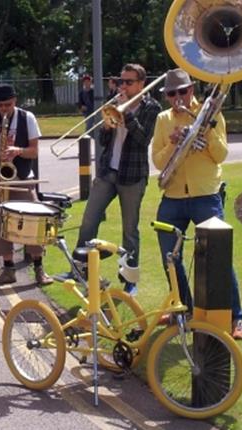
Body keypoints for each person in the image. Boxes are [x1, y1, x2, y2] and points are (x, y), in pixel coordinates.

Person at [151, 68, 242, 340]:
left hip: (206, 195)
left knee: (219, 258)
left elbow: (221, 155)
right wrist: (173, 144)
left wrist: (202, 140)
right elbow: (158, 162)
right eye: (171, 93)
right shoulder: (163, 119)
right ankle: (183, 309)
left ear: (191, 90)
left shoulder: (210, 114)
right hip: (173, 197)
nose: (177, 98)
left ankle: (236, 318)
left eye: (182, 91)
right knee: (170, 257)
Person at [75, 64, 161, 296]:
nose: (123, 86)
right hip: (107, 172)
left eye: (129, 82)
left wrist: (127, 116)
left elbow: (143, 139)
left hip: (132, 176)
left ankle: (129, 278)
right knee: (88, 222)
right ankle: (79, 270)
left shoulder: (153, 107)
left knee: (129, 231)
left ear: (141, 83)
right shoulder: (115, 101)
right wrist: (106, 125)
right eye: (121, 81)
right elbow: (103, 138)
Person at [0, 84, 54, 287]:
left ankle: (39, 267)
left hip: (23, 179)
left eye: (7, 105)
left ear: (15, 101)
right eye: (0, 105)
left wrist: (18, 150)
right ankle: (8, 269)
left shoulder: (27, 118)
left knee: (32, 224)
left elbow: (34, 151)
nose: (3, 109)